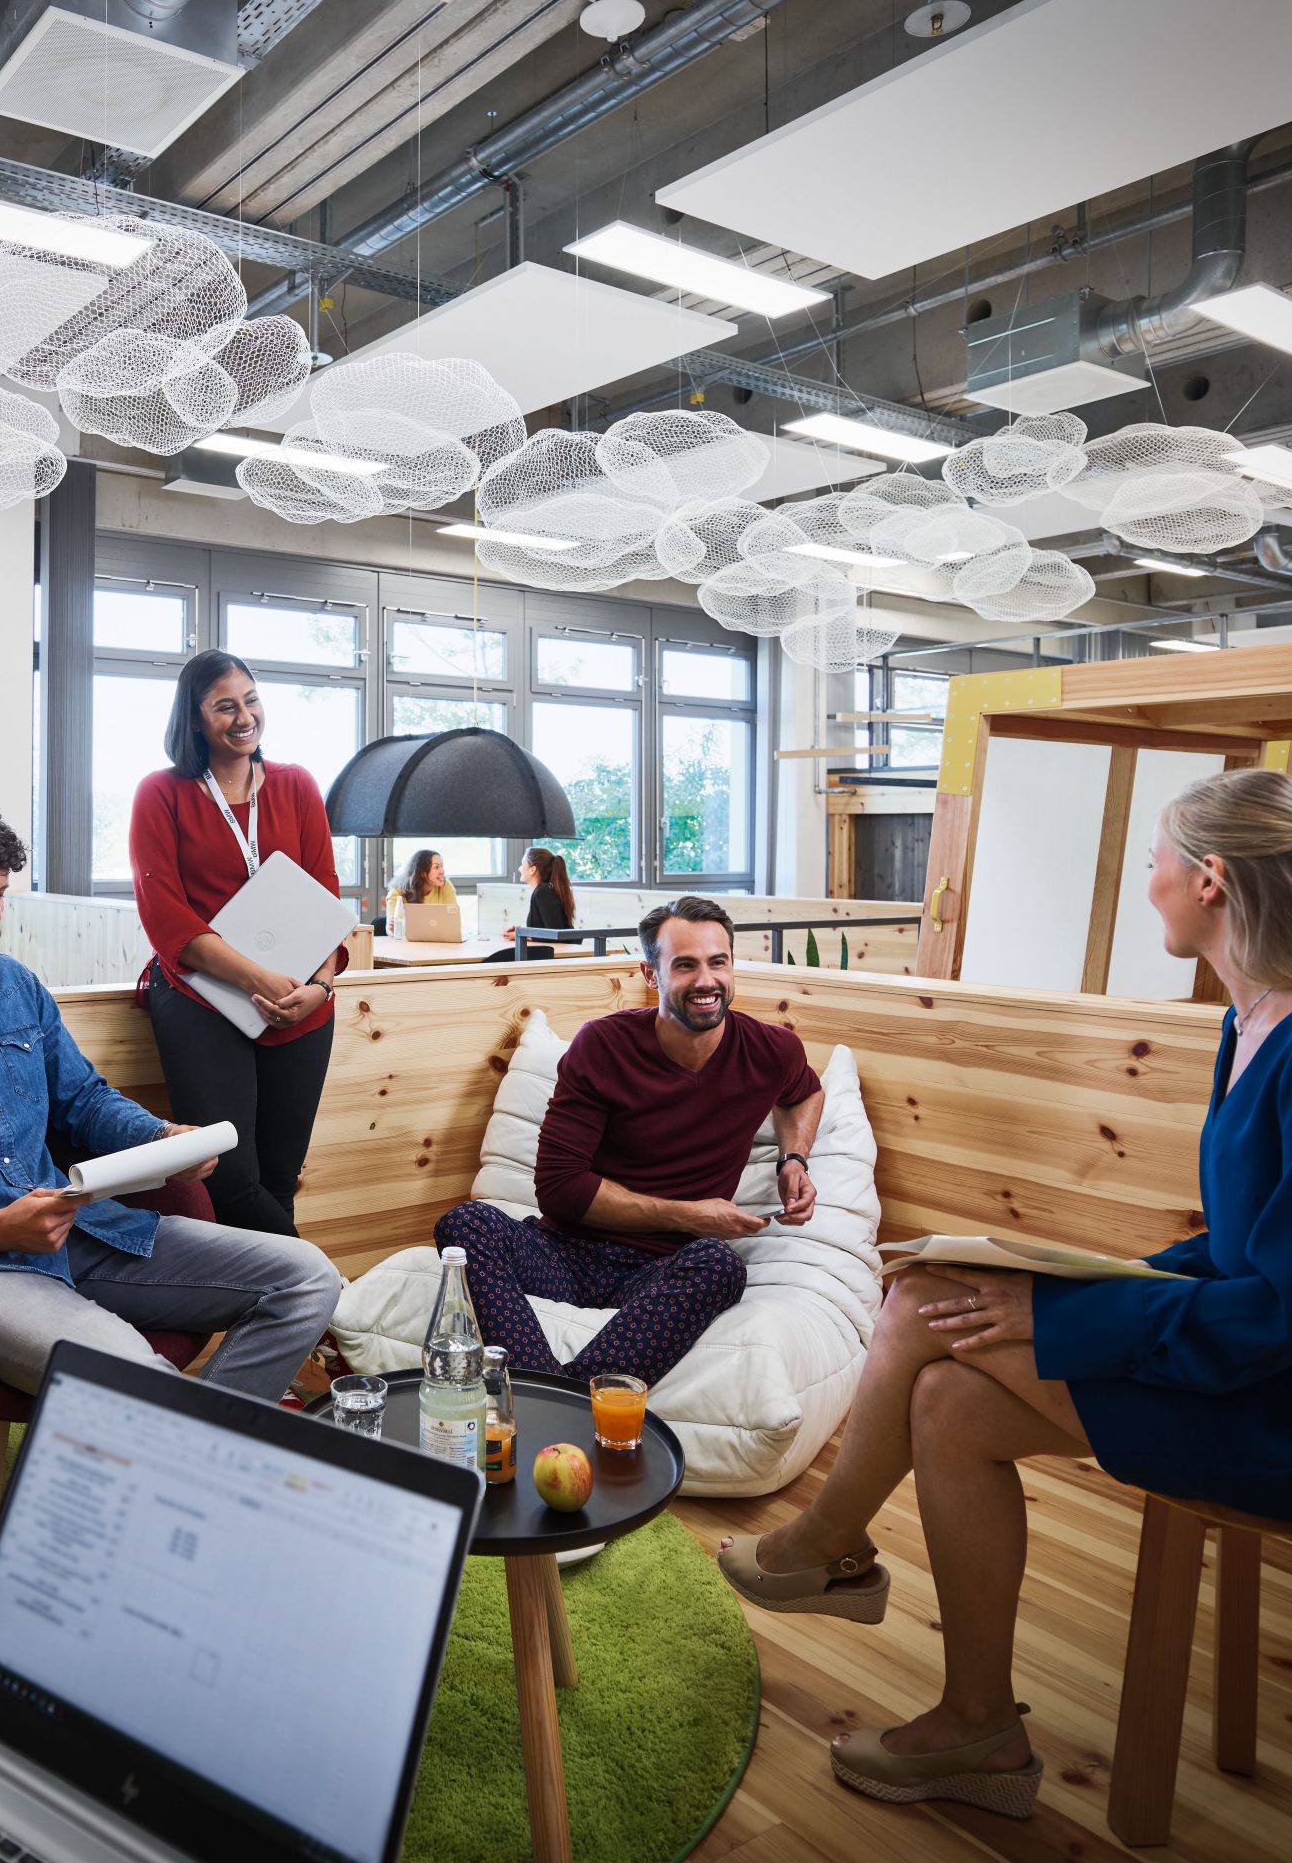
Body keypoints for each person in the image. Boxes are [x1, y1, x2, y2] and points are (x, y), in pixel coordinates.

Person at [715, 767, 1292, 1821]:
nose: (1148, 881)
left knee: (922, 1310)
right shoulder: (1246, 1024)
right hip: (1242, 1355)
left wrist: (1061, 1313)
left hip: (1273, 1405)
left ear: (1211, 881)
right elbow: (1239, 1256)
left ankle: (825, 1547)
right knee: (944, 1386)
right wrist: (1070, 1279)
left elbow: (1281, 1312)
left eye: (1157, 860)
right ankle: (977, 1724)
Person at [0, 793, 342, 1398]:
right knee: (137, 1381)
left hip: (83, 1235)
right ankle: (202, 1461)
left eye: (0, 893)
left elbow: (85, 1103)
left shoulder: (15, 986)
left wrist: (160, 1139)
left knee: (307, 1277)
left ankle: (201, 1456)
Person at [436, 895, 821, 1383]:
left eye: (717, 962)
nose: (706, 981)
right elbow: (559, 1189)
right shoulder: (602, 1045)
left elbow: (805, 1093)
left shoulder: (772, 1050)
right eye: (685, 965)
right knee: (467, 1226)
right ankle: (551, 1389)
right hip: (564, 1253)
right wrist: (689, 1213)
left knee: (720, 1266)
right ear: (651, 974)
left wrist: (794, 1159)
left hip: (661, 1270)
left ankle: (555, 1394)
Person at [130, 649, 347, 1237]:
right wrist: (258, 979)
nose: (244, 716)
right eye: (224, 706)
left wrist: (321, 988)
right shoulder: (161, 793)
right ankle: (323, 1296)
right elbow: (166, 917)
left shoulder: (297, 785)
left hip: (299, 1005)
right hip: (203, 1002)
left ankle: (288, 1322)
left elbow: (326, 898)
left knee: (279, 1179)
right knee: (227, 1180)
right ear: (195, 719)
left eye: (251, 700)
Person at [485, 845, 575, 962]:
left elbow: (555, 934)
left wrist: (523, 935)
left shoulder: (543, 892)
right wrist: (521, 931)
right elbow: (548, 928)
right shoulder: (544, 891)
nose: (519, 868)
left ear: (533, 869)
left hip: (550, 959)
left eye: (522, 864)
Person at [384, 848, 457, 934]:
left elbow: (453, 924)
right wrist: (395, 929)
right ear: (422, 872)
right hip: (408, 946)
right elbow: (394, 929)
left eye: (442, 866)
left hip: (438, 944)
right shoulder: (397, 892)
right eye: (436, 867)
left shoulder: (445, 886)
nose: (442, 871)